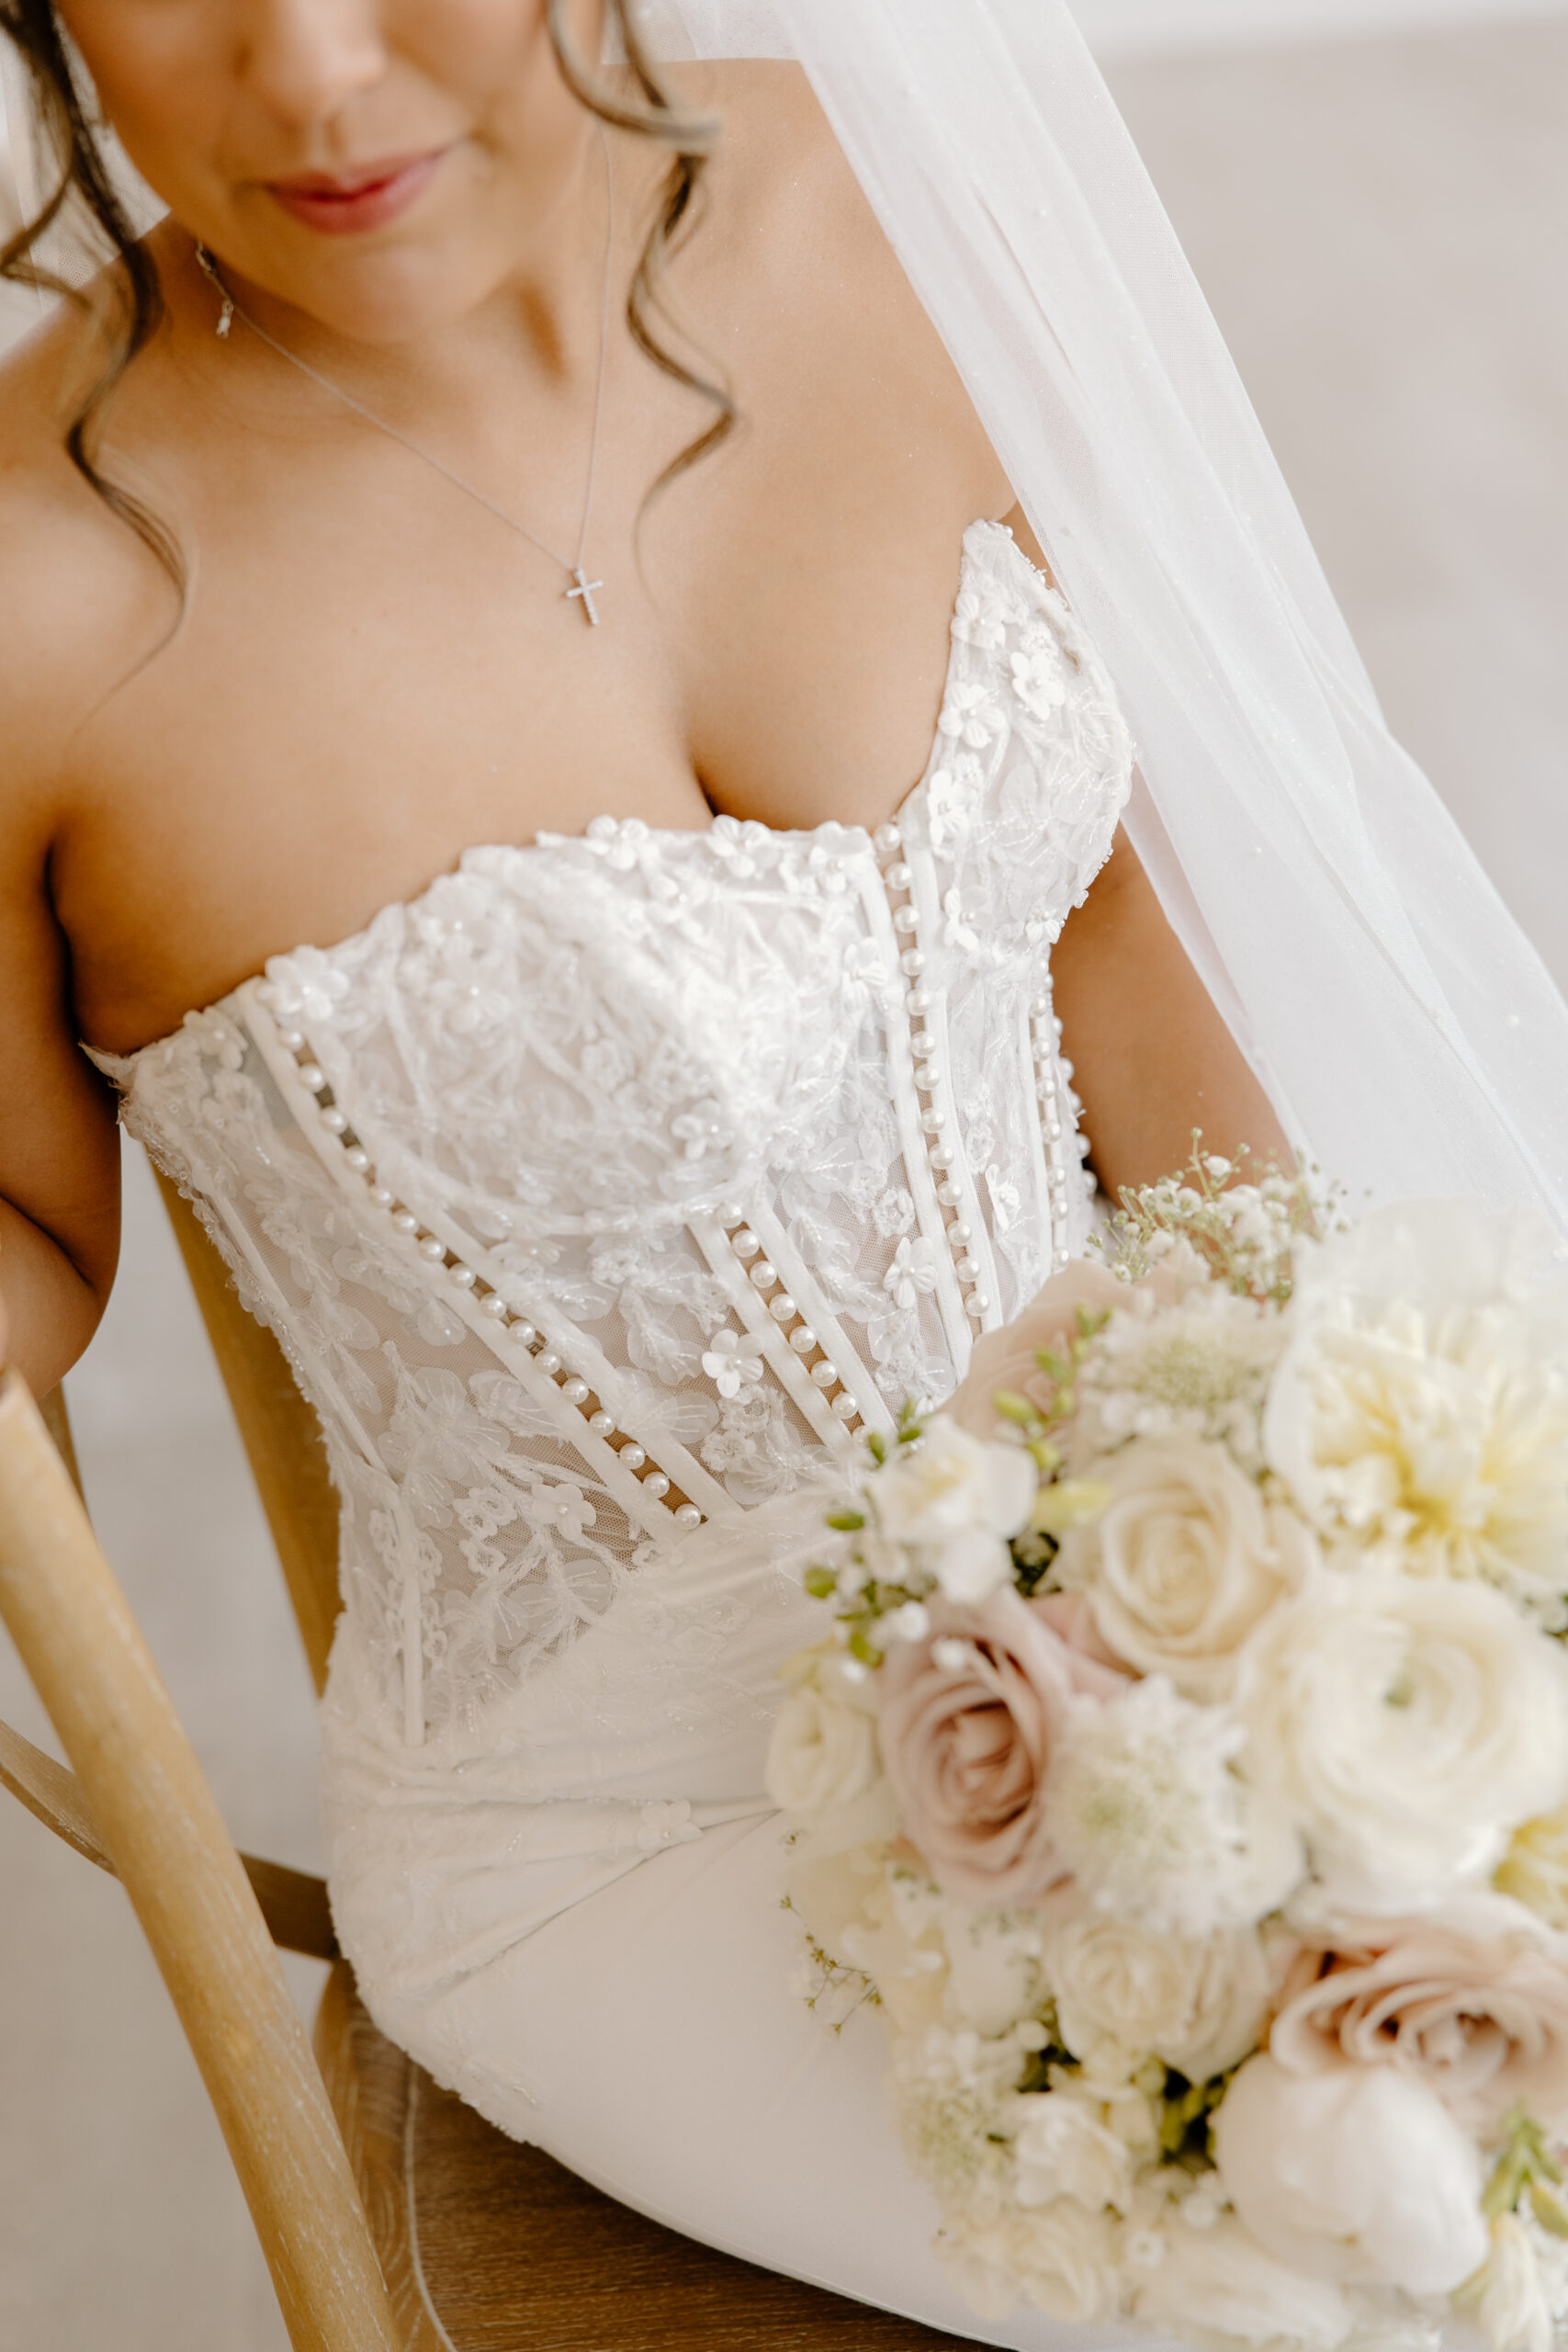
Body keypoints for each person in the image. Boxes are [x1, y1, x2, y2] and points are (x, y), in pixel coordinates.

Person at [0, 4, 1558, 2343]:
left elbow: (1108, 928)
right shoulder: (36, 593)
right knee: (1363, 2266)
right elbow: (30, 1241)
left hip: (1164, 1603)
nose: (313, 74)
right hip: (623, 1826)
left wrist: (1326, 1553)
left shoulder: (895, 213)